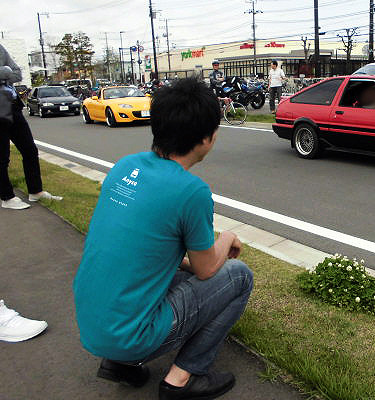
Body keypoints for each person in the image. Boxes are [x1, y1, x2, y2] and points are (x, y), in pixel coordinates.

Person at [73, 78, 253, 400]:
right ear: (206, 139)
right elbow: (206, 269)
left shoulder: (125, 166)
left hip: (90, 321)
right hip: (131, 335)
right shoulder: (192, 191)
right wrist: (226, 238)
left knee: (159, 269)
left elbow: (145, 249)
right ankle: (182, 379)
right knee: (239, 277)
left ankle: (119, 364)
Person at [0, 44, 62, 210]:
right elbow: (9, 72)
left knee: (29, 150)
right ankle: (6, 197)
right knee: (2, 156)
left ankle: (35, 191)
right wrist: (5, 72)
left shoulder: (0, 48)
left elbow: (17, 73)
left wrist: (5, 73)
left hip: (12, 104)